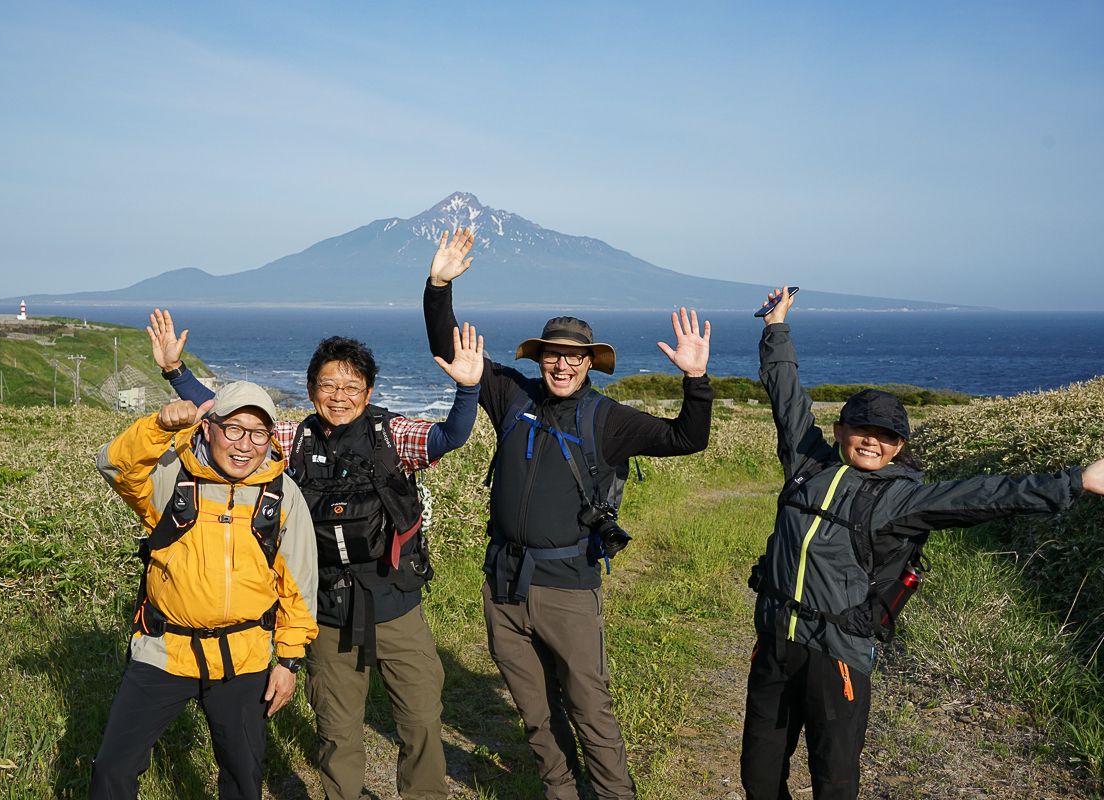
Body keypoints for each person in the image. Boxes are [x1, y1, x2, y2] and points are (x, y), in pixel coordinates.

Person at [742, 286, 1104, 800]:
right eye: (860, 428)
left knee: (835, 780)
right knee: (758, 777)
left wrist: (1075, 482)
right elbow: (787, 397)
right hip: (774, 644)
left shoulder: (901, 500)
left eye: (886, 435)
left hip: (837, 655)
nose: (871, 440)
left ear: (900, 446)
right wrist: (775, 328)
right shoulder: (808, 467)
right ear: (840, 429)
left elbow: (984, 494)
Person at [422, 228, 714, 800]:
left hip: (568, 588)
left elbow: (688, 438)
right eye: (553, 355)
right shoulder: (512, 396)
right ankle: (562, 791)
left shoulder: (608, 420)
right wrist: (437, 288)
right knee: (534, 710)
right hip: (503, 583)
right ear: (542, 358)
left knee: (589, 706)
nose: (562, 365)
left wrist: (696, 380)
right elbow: (453, 350)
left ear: (589, 363)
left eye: (574, 357)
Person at [147, 309, 483, 800]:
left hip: (395, 604)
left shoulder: (393, 437)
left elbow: (450, 436)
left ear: (369, 393)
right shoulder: (292, 441)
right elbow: (225, 417)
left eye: (352, 387)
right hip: (324, 609)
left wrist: (468, 389)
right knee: (337, 729)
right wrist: (176, 374)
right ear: (310, 391)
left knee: (422, 721)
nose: (339, 396)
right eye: (328, 386)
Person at [92, 381, 319, 800]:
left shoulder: (282, 495)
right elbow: (114, 465)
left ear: (270, 438)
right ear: (209, 427)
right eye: (234, 428)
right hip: (163, 651)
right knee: (112, 769)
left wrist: (289, 660)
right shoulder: (170, 476)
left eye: (258, 433)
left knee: (243, 776)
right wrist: (159, 426)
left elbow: (298, 589)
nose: (245, 445)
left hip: (244, 657)